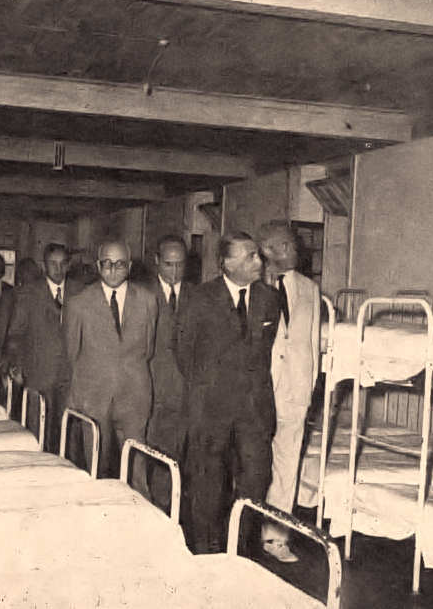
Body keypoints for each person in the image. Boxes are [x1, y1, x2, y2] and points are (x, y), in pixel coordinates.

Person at [175, 231, 281, 553]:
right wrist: (209, 387)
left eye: (257, 254)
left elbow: (265, 353)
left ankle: (240, 546)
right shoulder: (199, 298)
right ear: (226, 263)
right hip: (211, 408)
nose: (259, 261)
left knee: (256, 478)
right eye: (250, 256)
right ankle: (206, 549)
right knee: (208, 482)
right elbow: (183, 351)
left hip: (254, 410)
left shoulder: (269, 299)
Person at [64, 240, 157, 488]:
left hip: (134, 398)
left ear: (130, 266)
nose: (113, 270)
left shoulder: (148, 300)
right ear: (98, 266)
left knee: (137, 472)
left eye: (120, 264)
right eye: (107, 264)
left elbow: (147, 350)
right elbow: (72, 354)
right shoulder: (78, 303)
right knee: (96, 470)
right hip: (93, 399)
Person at [257, 220, 320, 563]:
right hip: (258, 390)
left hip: (294, 391)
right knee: (251, 464)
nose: (296, 251)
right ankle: (241, 531)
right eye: (289, 245)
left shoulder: (310, 289)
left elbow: (312, 343)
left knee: (287, 466)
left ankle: (276, 538)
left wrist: (308, 389)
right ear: (271, 250)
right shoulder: (250, 285)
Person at [0, 249, 83, 452]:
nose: (58, 269)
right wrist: (16, 363)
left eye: (62, 264)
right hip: (38, 373)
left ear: (68, 265)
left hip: (72, 375)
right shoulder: (28, 293)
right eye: (53, 264)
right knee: (37, 431)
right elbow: (16, 333)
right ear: (44, 266)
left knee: (69, 434)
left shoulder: (80, 291)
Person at [146, 235, 190, 513]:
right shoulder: (141, 294)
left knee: (173, 453)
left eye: (180, 265)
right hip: (149, 386)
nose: (174, 272)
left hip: (183, 391)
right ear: (156, 261)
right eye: (168, 264)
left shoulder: (198, 296)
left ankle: (163, 509)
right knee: (145, 452)